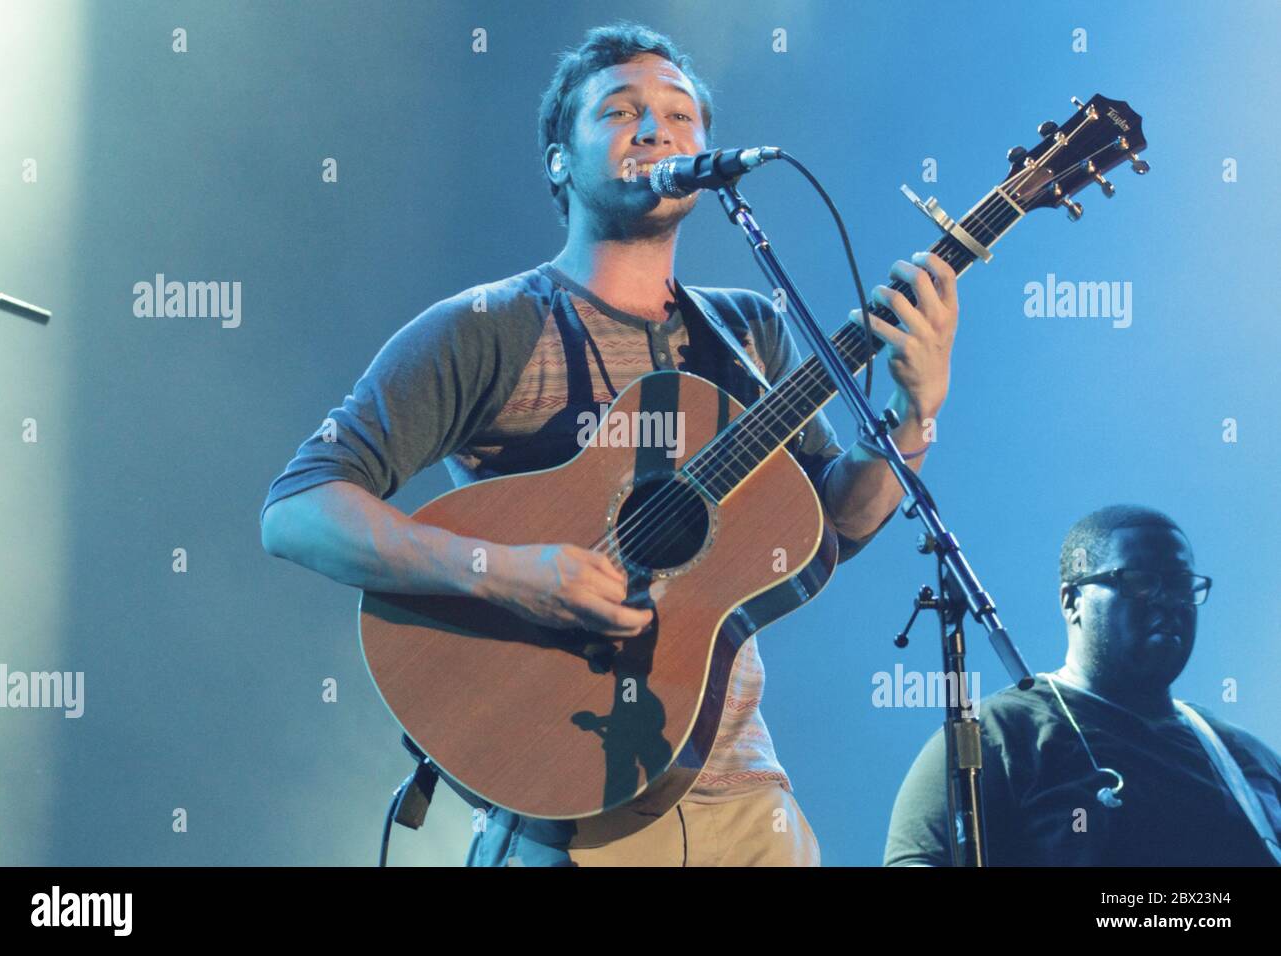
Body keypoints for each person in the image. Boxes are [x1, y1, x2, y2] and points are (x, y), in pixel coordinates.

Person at [261, 22, 959, 866]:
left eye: (680, 115)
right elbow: (297, 511)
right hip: (572, 808)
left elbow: (833, 529)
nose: (657, 129)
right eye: (621, 111)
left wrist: (911, 413)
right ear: (560, 158)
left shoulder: (749, 330)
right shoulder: (493, 327)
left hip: (748, 799)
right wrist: (508, 572)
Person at [884, 505, 1281, 866]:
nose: (1167, 601)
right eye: (1141, 582)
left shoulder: (1247, 758)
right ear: (1072, 601)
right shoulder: (996, 734)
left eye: (1180, 585)